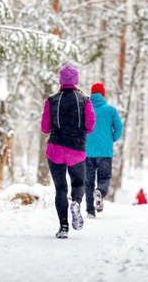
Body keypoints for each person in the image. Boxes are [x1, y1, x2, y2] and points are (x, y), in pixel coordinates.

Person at [41, 65, 96, 239]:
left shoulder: (51, 100)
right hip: (76, 150)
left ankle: (63, 227)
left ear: (61, 81)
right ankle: (77, 204)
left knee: (60, 189)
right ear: (76, 80)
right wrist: (79, 131)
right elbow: (91, 125)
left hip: (55, 149)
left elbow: (44, 128)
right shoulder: (85, 100)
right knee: (78, 184)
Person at [85, 83, 123, 218]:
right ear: (103, 94)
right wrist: (111, 139)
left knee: (88, 182)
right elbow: (119, 127)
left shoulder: (85, 109)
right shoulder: (110, 110)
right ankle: (100, 192)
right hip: (105, 152)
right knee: (104, 177)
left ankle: (90, 211)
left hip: (87, 152)